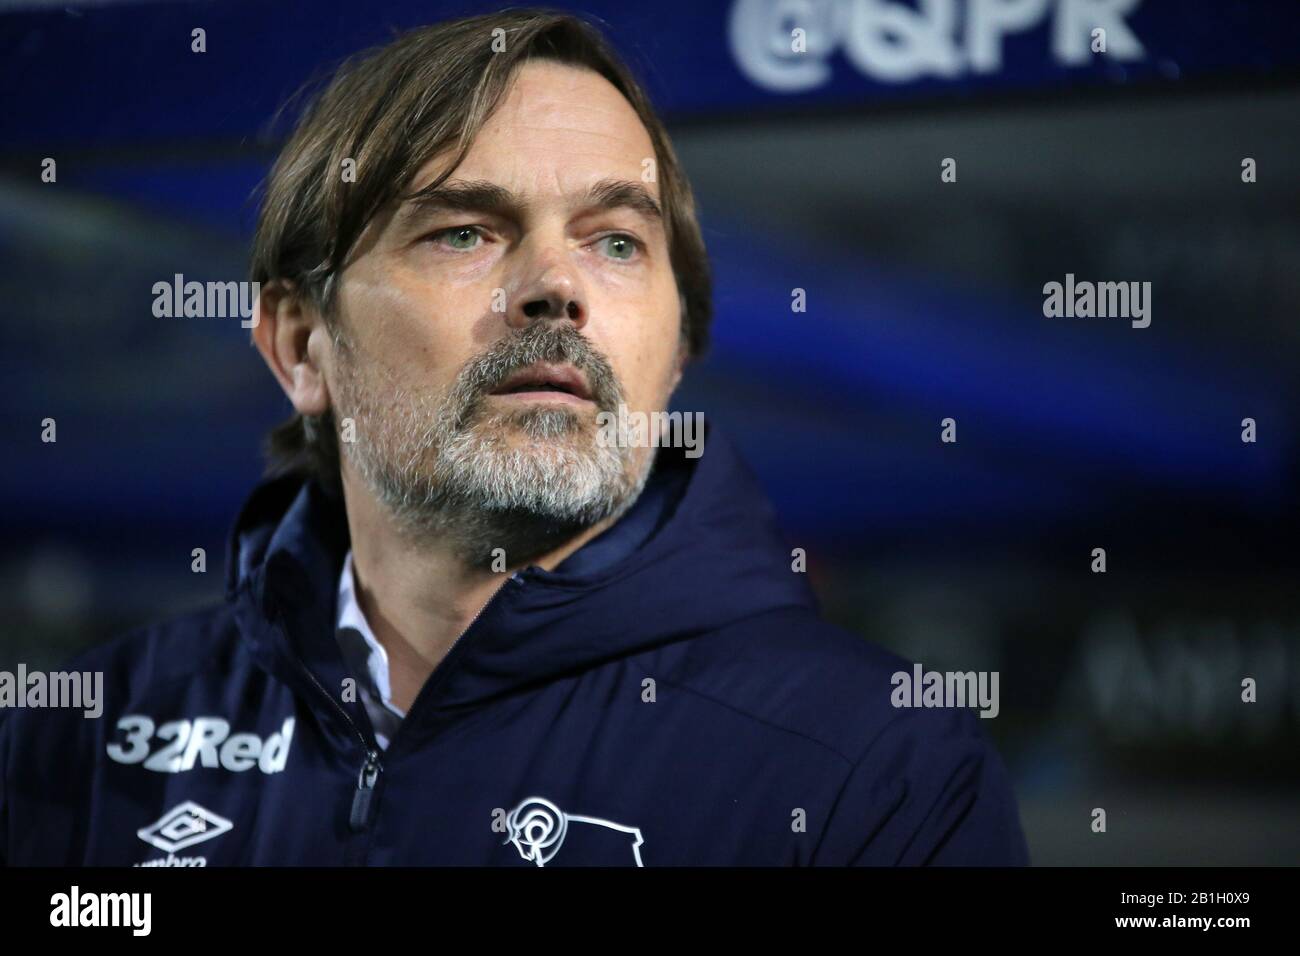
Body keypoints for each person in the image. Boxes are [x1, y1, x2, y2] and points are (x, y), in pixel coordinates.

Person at [0, 9, 1028, 866]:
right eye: (464, 230)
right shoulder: (75, 744)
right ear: (302, 344)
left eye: (616, 241)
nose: (554, 288)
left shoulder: (879, 769)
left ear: (675, 353)